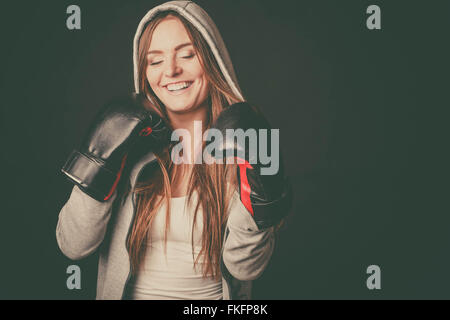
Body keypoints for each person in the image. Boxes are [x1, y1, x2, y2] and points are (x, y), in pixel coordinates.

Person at [56, 0, 292, 300]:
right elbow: (73, 246)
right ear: (145, 72)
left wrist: (262, 196)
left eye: (187, 54)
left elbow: (246, 268)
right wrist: (97, 163)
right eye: (155, 61)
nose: (171, 70)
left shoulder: (241, 147)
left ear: (212, 60)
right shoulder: (129, 149)